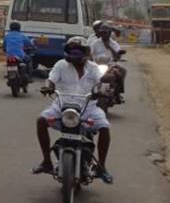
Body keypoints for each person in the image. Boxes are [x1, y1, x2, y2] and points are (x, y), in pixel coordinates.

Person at [33, 36, 113, 183]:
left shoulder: (93, 68)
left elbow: (101, 81)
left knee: (104, 127)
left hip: (88, 107)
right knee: (41, 121)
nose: (74, 54)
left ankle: (101, 167)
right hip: (61, 106)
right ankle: (46, 161)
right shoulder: (60, 65)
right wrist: (49, 87)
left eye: (78, 51)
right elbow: (51, 79)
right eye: (71, 51)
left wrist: (103, 90)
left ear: (86, 52)